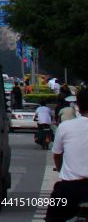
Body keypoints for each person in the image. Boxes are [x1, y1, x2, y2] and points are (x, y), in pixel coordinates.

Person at [45, 88, 88, 221]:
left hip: (70, 188)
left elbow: (57, 154)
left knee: (53, 219)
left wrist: (60, 169)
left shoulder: (65, 127)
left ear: (78, 107)